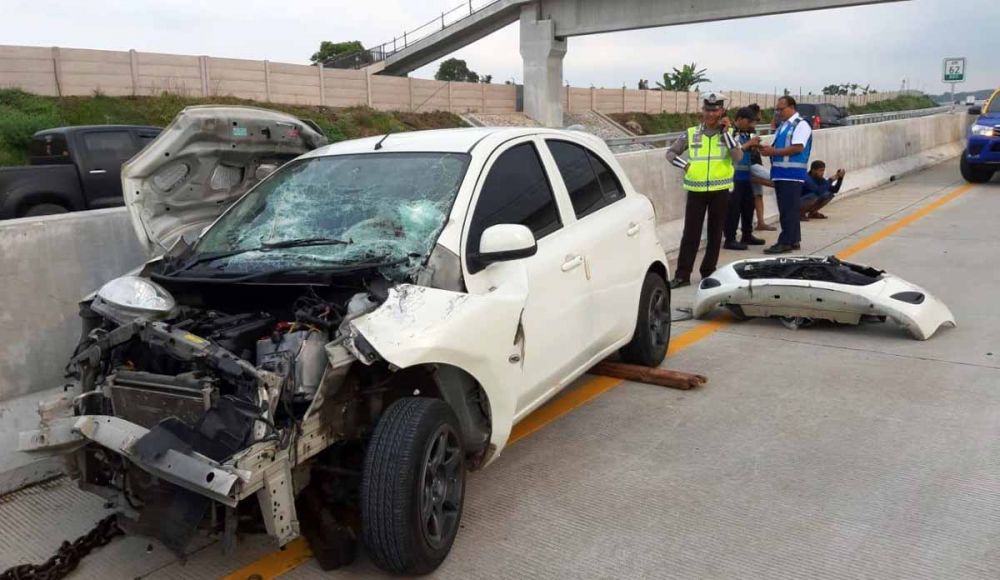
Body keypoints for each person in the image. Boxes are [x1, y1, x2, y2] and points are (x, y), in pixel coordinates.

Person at [665, 92, 744, 288]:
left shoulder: (730, 134)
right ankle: (682, 274)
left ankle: (708, 272)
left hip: (720, 190)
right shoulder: (691, 133)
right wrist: (685, 166)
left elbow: (738, 156)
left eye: (714, 110)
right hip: (696, 190)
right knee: (690, 233)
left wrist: (725, 132)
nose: (710, 114)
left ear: (722, 111)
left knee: (716, 233)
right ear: (702, 110)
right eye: (707, 110)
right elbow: (670, 153)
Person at [759, 96, 813, 254]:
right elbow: (777, 147)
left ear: (792, 107)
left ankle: (785, 242)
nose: (779, 112)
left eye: (781, 109)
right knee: (789, 209)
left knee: (788, 210)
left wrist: (773, 151)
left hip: (792, 174)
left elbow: (797, 148)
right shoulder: (783, 126)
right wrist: (765, 149)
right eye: (778, 109)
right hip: (781, 173)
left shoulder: (801, 125)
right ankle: (794, 239)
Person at [723, 107, 766, 250]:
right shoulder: (730, 133)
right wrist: (749, 144)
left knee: (748, 207)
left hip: (745, 176)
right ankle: (730, 239)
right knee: (733, 210)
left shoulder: (746, 134)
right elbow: (734, 150)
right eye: (749, 122)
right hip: (733, 178)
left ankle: (747, 234)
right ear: (739, 120)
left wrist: (755, 147)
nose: (751, 125)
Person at [748, 103, 776, 231]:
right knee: (775, 179)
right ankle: (752, 178)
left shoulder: (752, 129)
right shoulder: (746, 130)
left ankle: (760, 222)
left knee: (758, 195)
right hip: (751, 164)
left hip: (756, 162)